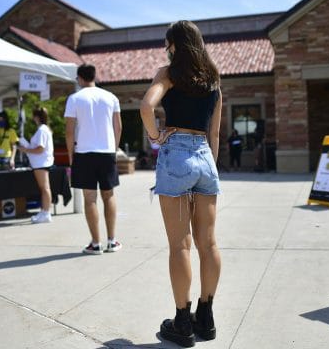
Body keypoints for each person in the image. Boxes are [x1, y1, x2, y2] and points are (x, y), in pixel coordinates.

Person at [140, 20, 222, 347]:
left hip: (175, 153)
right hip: (205, 156)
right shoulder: (214, 78)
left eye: (167, 44)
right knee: (209, 244)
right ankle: (207, 315)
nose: (166, 50)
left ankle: (183, 322)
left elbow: (147, 106)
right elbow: (214, 133)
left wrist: (155, 137)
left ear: (174, 44)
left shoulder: (169, 73)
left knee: (180, 246)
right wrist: (208, 164)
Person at [64, 64, 123, 254]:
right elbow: (118, 127)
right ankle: (112, 241)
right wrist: (113, 150)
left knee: (90, 199)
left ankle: (95, 243)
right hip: (106, 152)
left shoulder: (74, 99)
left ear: (80, 78)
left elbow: (69, 131)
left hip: (83, 153)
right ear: (94, 76)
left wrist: (71, 156)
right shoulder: (111, 97)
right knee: (109, 195)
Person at [18, 107, 54, 224]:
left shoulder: (42, 130)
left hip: (41, 163)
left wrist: (25, 150)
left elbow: (40, 149)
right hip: (40, 162)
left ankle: (46, 213)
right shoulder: (43, 129)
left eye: (34, 116)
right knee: (44, 188)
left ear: (37, 117)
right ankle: (44, 211)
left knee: (45, 188)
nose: (32, 118)